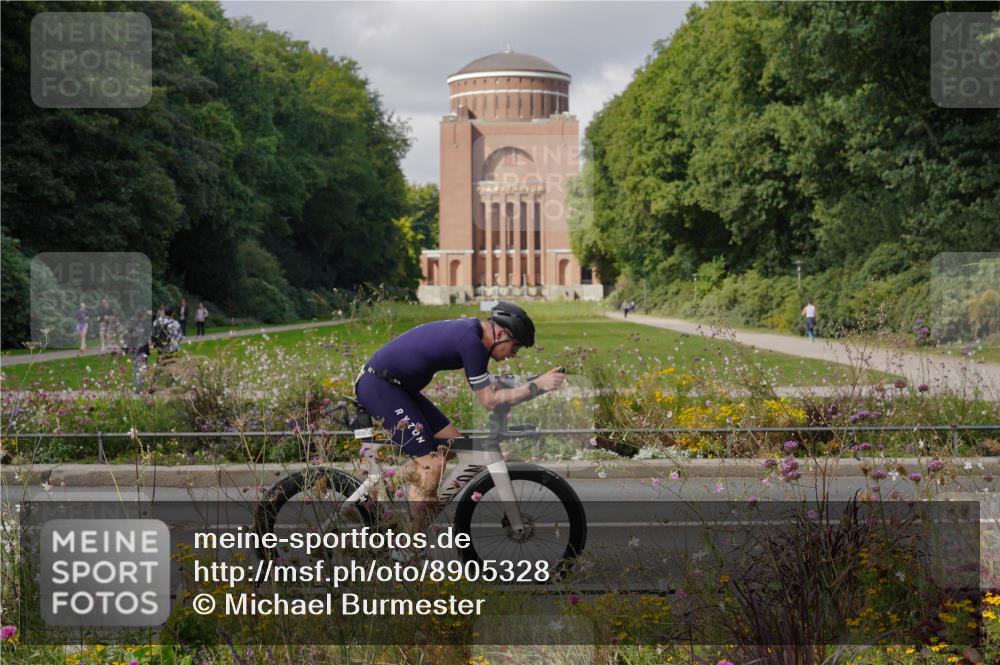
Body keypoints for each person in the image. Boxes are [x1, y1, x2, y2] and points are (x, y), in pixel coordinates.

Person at [354, 301, 565, 531]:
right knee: (431, 464)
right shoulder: (472, 342)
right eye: (515, 347)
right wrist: (537, 385)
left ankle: (379, 491)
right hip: (380, 386)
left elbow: (494, 396)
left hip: (398, 388)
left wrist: (536, 385)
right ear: (501, 333)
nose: (512, 355)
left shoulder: (474, 337)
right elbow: (490, 401)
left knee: (453, 445)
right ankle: (407, 551)